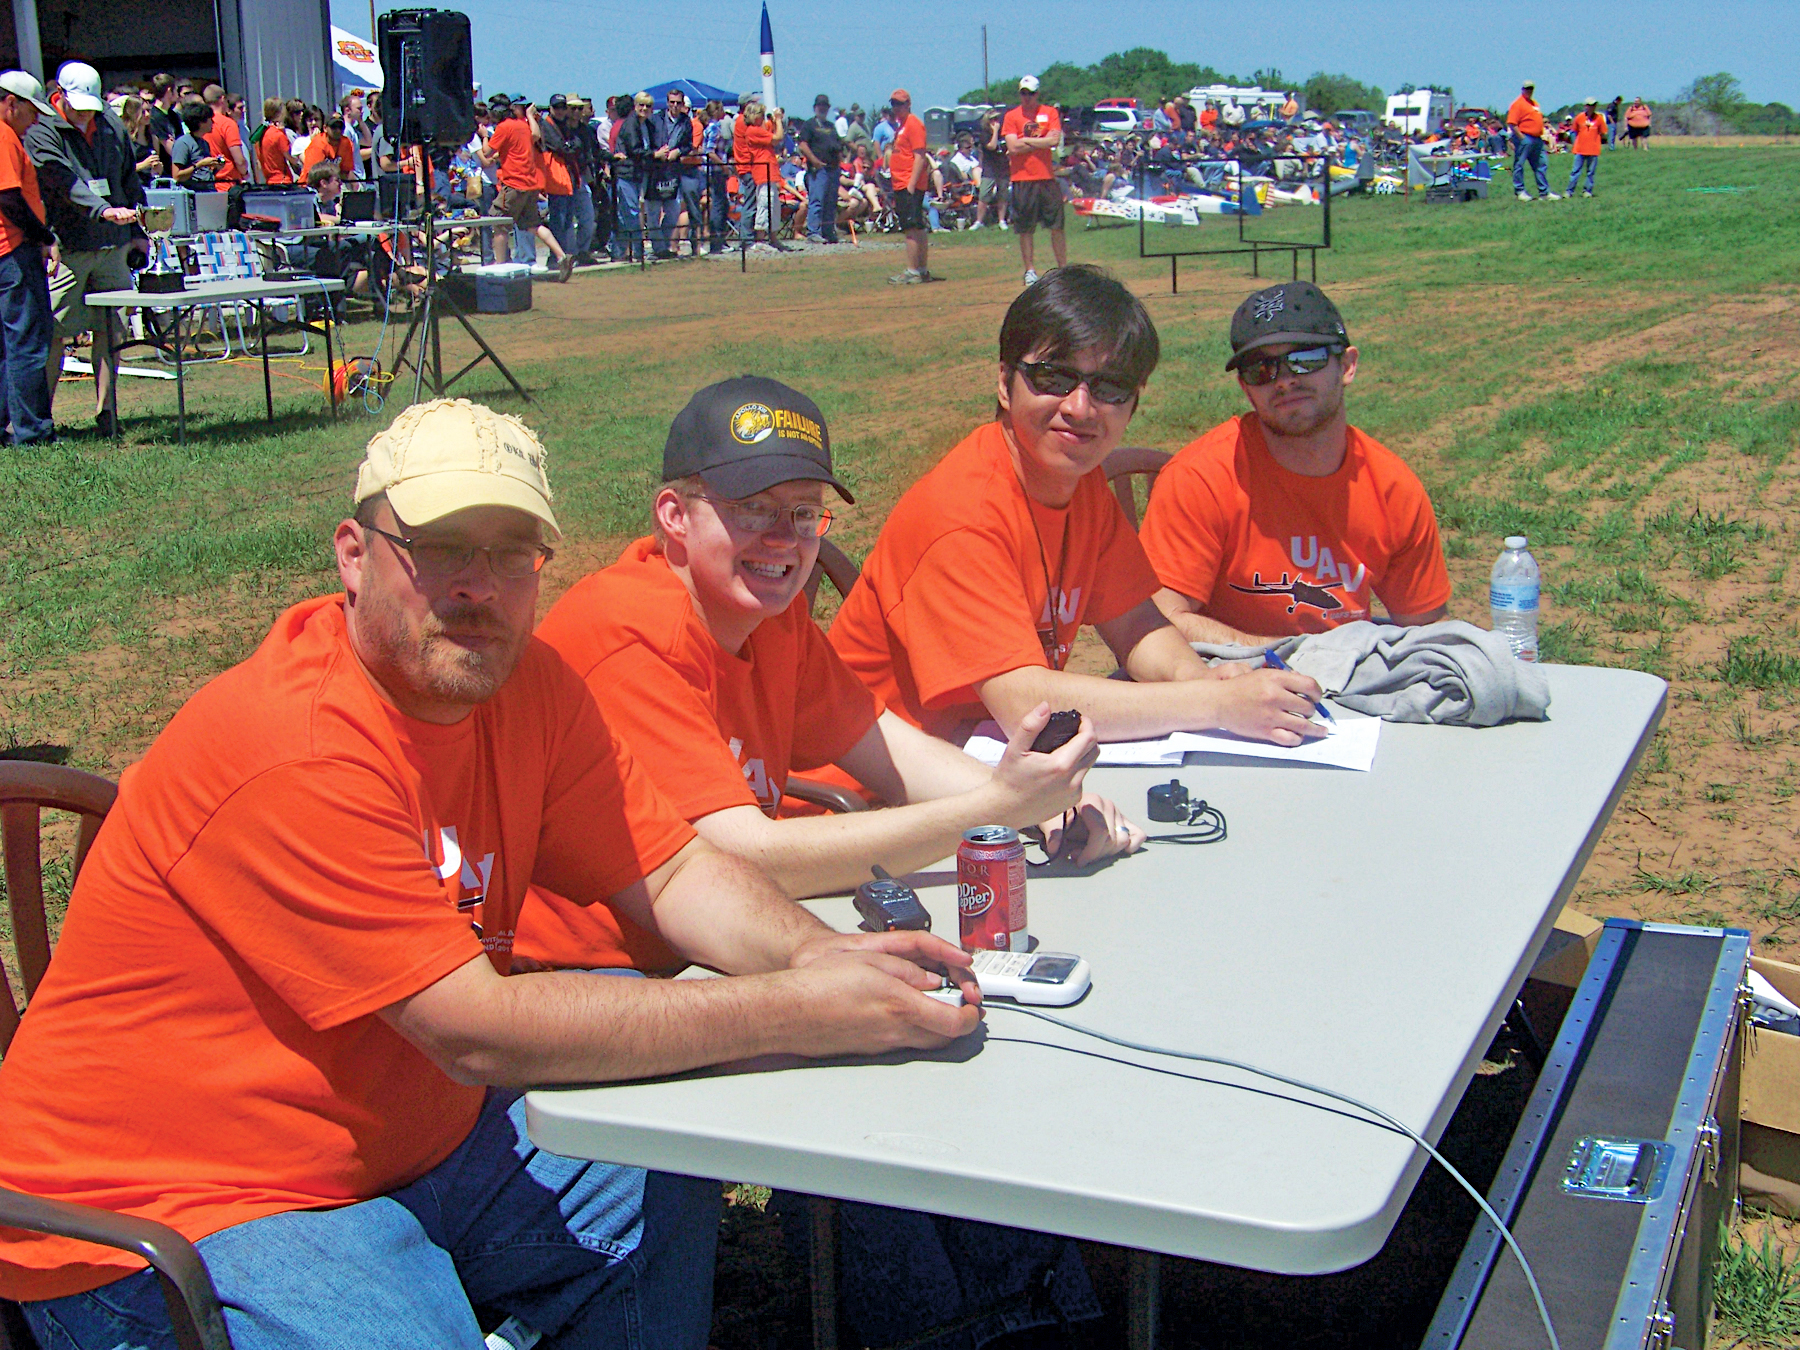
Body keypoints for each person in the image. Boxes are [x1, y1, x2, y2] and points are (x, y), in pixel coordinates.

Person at [0, 398, 981, 1349]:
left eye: (512, 553)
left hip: (411, 1136)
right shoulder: (293, 745)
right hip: (176, 1202)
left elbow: (674, 870)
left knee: (656, 1166)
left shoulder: (530, 689)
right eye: (439, 549)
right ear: (354, 554)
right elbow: (475, 1030)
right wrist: (796, 1011)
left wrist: (821, 964)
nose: (479, 585)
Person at [516, 373, 1125, 1350]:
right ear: (675, 515)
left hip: (711, 943)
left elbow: (882, 744)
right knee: (870, 1054)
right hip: (592, 981)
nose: (786, 541)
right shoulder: (625, 629)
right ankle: (939, 1326)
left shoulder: (769, 615)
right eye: (753, 511)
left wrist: (1045, 806)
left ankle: (1024, 1305)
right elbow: (742, 855)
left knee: (940, 1008)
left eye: (803, 515)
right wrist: (992, 807)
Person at [829, 265, 1327, 750]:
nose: (1080, 408)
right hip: (867, 802)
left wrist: (1201, 681)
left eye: (1110, 388)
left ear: (1135, 402)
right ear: (1005, 383)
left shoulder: (1081, 486)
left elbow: (1136, 626)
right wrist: (1212, 703)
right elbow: (1025, 703)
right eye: (1053, 378)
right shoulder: (961, 514)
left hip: (983, 765)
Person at [1141, 281, 1450, 647]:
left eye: (1305, 360)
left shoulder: (1392, 486)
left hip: (1347, 681)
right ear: (1246, 388)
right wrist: (1289, 659)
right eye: (1261, 369)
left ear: (1348, 365)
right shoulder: (1201, 478)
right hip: (1225, 682)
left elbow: (1426, 633)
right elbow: (1160, 621)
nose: (1285, 380)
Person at [28, 61, 143, 438]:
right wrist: (103, 209)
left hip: (112, 244)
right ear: (58, 97)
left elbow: (128, 178)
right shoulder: (41, 130)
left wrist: (139, 227)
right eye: (78, 105)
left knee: (111, 330)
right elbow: (61, 179)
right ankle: (40, 419)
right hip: (68, 246)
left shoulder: (110, 124)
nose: (85, 113)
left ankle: (107, 412)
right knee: (54, 332)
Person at [0, 71, 56, 447]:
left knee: (7, 347)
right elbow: (7, 197)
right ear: (10, 103)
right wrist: (44, 236)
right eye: (31, 111)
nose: (35, 120)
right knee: (27, 343)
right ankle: (33, 432)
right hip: (12, 250)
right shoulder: (4, 135)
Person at [480, 96, 574, 280]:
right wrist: (530, 117)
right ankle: (562, 256)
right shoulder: (522, 125)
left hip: (514, 184)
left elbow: (487, 152)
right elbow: (535, 136)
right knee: (534, 225)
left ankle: (500, 268)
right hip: (531, 185)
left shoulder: (503, 126)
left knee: (498, 223)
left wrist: (485, 137)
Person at [1002, 75, 1066, 288]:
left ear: (1038, 94)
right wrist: (1042, 142)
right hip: (1022, 178)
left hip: (1046, 177)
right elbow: (1012, 147)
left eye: (1030, 93)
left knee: (1056, 224)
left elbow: (1054, 140)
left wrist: (1026, 140)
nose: (1027, 97)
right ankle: (1029, 269)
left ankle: (1062, 268)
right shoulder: (1012, 116)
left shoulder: (1050, 112)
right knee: (1025, 227)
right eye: (1023, 93)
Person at [885, 89, 931, 284]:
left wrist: (911, 184)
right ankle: (920, 269)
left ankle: (913, 270)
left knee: (911, 227)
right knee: (915, 225)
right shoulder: (901, 126)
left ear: (908, 104)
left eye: (900, 104)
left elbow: (920, 155)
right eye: (894, 104)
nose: (897, 108)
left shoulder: (913, 124)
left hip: (908, 183)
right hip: (902, 181)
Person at [797, 92, 842, 244]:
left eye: (825, 106)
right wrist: (814, 161)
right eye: (819, 105)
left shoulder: (831, 126)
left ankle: (828, 231)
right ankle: (813, 232)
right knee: (817, 200)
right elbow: (803, 144)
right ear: (815, 107)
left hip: (833, 168)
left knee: (831, 202)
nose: (822, 108)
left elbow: (837, 144)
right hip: (818, 170)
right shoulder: (809, 125)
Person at [1507, 80, 1557, 201]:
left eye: (1531, 89)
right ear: (1522, 89)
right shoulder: (1518, 104)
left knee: (1541, 164)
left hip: (1537, 138)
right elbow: (1512, 123)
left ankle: (1544, 192)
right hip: (1525, 137)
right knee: (1519, 164)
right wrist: (1521, 137)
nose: (1529, 91)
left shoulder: (1534, 103)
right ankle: (1520, 191)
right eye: (1527, 89)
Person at [168, 101, 222, 189]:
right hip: (193, 194)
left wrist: (216, 168)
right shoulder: (183, 143)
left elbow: (205, 175)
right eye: (210, 120)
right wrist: (199, 165)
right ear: (201, 122)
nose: (213, 123)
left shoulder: (204, 143)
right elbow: (177, 176)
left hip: (208, 191)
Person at [203, 86, 247, 190]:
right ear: (222, 99)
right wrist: (245, 172)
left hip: (208, 183)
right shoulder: (227, 124)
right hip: (229, 183)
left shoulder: (201, 123)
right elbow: (239, 160)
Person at [975, 109, 1007, 229]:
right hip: (990, 169)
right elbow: (992, 146)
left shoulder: (1003, 133)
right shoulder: (984, 135)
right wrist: (995, 132)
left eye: (997, 119)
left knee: (1002, 195)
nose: (995, 121)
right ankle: (979, 221)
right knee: (984, 195)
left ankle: (1002, 220)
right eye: (992, 119)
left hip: (1003, 167)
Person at [253, 96, 298, 184]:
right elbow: (292, 159)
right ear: (280, 112)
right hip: (283, 180)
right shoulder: (279, 135)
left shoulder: (260, 135)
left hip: (269, 180)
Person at [1567, 97, 1606, 197]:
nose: (1592, 107)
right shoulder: (1579, 117)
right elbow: (1573, 131)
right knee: (1575, 171)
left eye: (1594, 105)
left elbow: (1603, 132)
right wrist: (1575, 144)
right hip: (1580, 149)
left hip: (1593, 150)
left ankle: (1587, 191)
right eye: (1590, 105)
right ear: (1585, 106)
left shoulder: (1599, 118)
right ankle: (1569, 191)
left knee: (1590, 172)